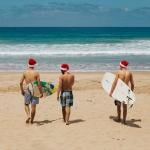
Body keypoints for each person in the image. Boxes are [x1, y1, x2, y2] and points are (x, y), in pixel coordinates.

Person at [109, 60, 134, 124]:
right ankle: (124, 121)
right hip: (126, 91)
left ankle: (119, 118)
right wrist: (131, 93)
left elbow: (114, 83)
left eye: (119, 65)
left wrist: (111, 92)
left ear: (121, 65)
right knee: (125, 106)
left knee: (118, 105)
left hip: (119, 90)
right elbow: (132, 84)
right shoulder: (130, 73)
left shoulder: (119, 72)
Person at [20, 58, 43, 124]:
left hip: (27, 89)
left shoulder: (25, 72)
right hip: (35, 90)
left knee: (26, 104)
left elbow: (20, 82)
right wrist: (41, 92)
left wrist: (22, 90)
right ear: (34, 65)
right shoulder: (36, 73)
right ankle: (32, 121)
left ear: (28, 65)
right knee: (33, 106)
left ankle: (28, 115)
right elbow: (39, 84)